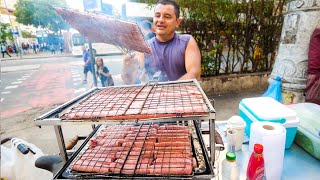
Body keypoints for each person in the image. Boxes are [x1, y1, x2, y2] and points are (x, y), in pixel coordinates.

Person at [122, 0, 201, 84]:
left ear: (177, 22)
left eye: (167, 17)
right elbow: (129, 82)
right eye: (157, 16)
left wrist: (166, 92)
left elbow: (194, 74)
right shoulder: (144, 47)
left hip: (182, 96)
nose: (161, 20)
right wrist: (126, 66)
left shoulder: (186, 42)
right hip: (152, 96)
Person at [305, 26, 320, 105]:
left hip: (314, 73)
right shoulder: (317, 34)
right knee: (312, 104)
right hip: (315, 73)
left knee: (312, 104)